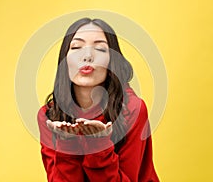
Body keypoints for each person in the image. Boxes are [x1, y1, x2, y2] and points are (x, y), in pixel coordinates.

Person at [37, 17, 160, 182]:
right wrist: (67, 142)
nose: (87, 56)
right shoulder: (49, 115)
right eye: (77, 47)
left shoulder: (133, 109)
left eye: (100, 49)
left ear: (111, 63)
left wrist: (99, 143)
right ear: (64, 61)